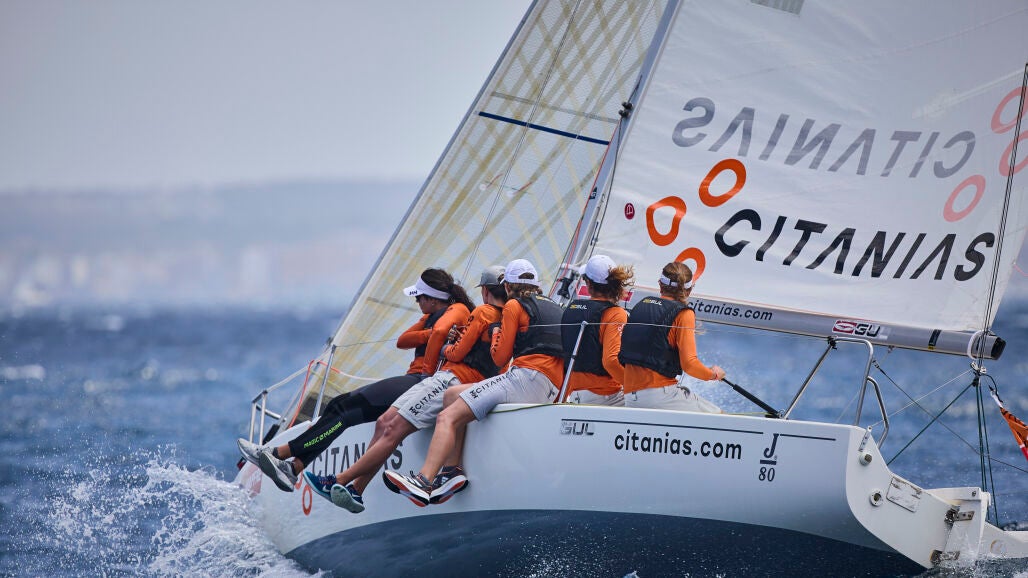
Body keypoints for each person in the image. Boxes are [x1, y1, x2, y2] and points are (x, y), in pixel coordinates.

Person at [235, 268, 475, 495]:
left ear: (432, 298)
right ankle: (292, 467)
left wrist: (427, 371)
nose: (416, 302)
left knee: (343, 409)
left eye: (419, 297)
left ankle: (280, 454)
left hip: (421, 382)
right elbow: (403, 340)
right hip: (416, 381)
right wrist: (429, 334)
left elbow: (441, 332)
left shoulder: (457, 309)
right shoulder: (430, 317)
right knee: (338, 406)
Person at [301, 266, 508, 512]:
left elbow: (455, 352)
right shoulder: (510, 317)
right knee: (385, 422)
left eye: (420, 298)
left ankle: (339, 480)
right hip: (460, 382)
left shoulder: (482, 312)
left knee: (392, 427)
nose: (418, 302)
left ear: (485, 292)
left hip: (449, 379)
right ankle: (356, 489)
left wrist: (443, 352)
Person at [381, 258, 564, 507]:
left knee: (446, 417)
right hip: (550, 386)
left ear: (508, 286)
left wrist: (497, 333)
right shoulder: (555, 307)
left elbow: (500, 357)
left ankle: (424, 481)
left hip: (524, 378)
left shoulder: (513, 305)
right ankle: (451, 472)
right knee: (452, 395)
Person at [618, 261, 725, 412]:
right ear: (689, 290)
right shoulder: (684, 314)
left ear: (660, 284)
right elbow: (690, 365)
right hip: (660, 397)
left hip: (630, 397)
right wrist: (713, 374)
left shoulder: (640, 304)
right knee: (721, 416)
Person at [561, 255, 634, 406]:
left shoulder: (570, 308)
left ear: (588, 284)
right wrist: (635, 386)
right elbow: (610, 361)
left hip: (573, 393)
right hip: (605, 394)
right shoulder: (616, 314)